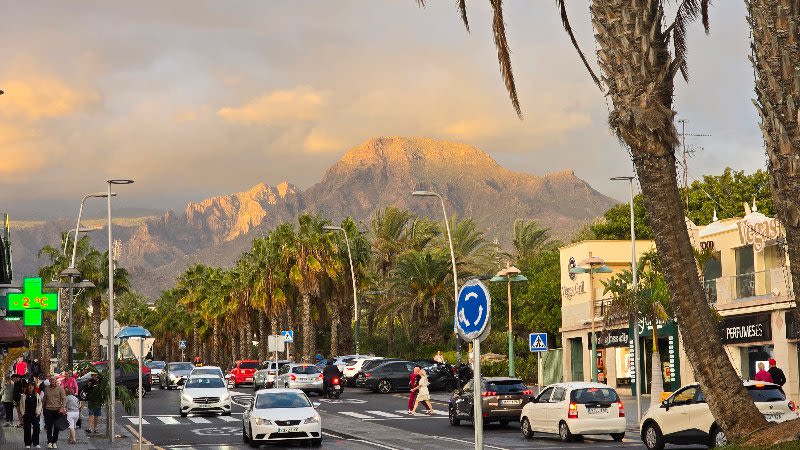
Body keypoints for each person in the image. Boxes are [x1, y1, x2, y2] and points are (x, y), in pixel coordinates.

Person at [42, 375, 66, 448]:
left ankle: (55, 442)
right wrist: (42, 406)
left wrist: (62, 407)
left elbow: (64, 399)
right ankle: (49, 442)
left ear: (56, 380)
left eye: (53, 379)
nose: (52, 381)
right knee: (49, 427)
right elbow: (44, 399)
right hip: (48, 410)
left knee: (56, 427)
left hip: (57, 410)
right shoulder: (46, 389)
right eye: (51, 380)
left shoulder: (60, 389)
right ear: (49, 381)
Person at [20, 381, 42, 448]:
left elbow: (40, 404)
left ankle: (36, 442)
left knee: (37, 428)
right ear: (27, 387)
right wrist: (23, 413)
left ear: (33, 387)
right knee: (27, 429)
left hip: (35, 414)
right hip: (27, 414)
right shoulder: (24, 395)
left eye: (32, 385)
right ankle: (27, 443)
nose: (30, 387)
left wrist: (38, 412)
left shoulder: (37, 395)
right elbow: (21, 405)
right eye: (29, 386)